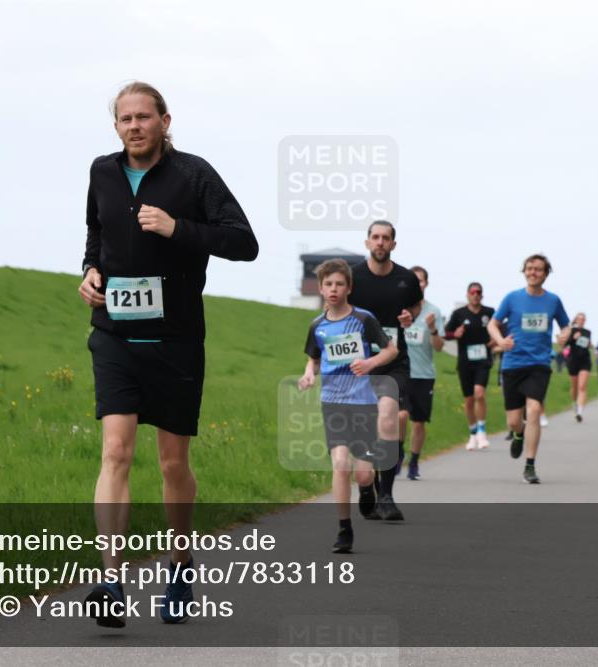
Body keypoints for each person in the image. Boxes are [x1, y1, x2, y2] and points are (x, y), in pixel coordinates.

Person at [78, 81, 259, 627]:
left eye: (143, 117)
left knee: (172, 462)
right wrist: (89, 271)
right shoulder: (102, 172)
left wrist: (177, 227)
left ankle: (180, 562)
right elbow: (95, 232)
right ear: (116, 126)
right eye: (125, 119)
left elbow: (244, 243)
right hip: (114, 334)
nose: (134, 126)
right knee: (115, 452)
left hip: (176, 338)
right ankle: (111, 580)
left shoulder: (193, 174)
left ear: (164, 120)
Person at [299, 259, 398, 553]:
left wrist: (370, 362)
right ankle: (344, 529)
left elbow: (392, 350)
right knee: (341, 464)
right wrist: (308, 374)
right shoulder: (317, 325)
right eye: (328, 284)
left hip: (364, 405)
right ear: (320, 288)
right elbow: (314, 359)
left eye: (339, 284)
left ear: (349, 287)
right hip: (333, 404)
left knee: (364, 473)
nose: (333, 289)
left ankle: (368, 486)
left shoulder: (364, 319)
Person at [348, 221, 423, 521]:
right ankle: (368, 486)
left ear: (393, 244)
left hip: (394, 362)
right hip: (359, 364)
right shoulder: (353, 276)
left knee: (389, 418)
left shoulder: (406, 278)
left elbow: (415, 306)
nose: (380, 242)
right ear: (367, 243)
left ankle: (388, 496)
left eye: (386, 238)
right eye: (375, 237)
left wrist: (410, 315)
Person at [487, 254, 570, 484]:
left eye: (538, 269)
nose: (533, 273)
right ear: (524, 271)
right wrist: (501, 341)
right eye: (530, 268)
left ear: (546, 274)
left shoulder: (553, 301)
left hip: (539, 364)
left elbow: (566, 325)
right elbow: (493, 324)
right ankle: (518, 433)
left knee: (533, 410)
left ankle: (530, 466)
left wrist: (565, 334)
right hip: (513, 364)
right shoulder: (512, 298)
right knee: (514, 420)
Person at [444, 282, 496, 451]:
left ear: (482, 295)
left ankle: (482, 431)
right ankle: (472, 433)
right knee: (468, 400)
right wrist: (455, 334)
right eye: (472, 292)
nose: (475, 295)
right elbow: (446, 333)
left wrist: (496, 339)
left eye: (478, 292)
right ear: (467, 294)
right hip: (465, 361)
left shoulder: (489, 313)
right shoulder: (459, 314)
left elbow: (500, 328)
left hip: (483, 360)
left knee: (479, 393)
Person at [403, 266, 444, 479]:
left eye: (421, 281)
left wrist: (434, 329)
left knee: (418, 422)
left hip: (424, 375)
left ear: (426, 284)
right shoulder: (398, 308)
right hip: (400, 372)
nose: (418, 284)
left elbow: (438, 347)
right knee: (399, 415)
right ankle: (398, 450)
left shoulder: (434, 312)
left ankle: (414, 462)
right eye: (414, 280)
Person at [565, 312, 593, 422]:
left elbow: (586, 345)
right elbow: (565, 344)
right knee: (575, 386)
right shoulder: (571, 331)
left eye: (583, 319)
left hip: (585, 361)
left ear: (585, 321)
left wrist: (590, 344)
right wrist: (573, 338)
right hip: (573, 361)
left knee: (582, 387)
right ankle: (574, 403)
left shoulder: (588, 332)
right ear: (576, 320)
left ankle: (580, 412)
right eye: (579, 319)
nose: (581, 320)